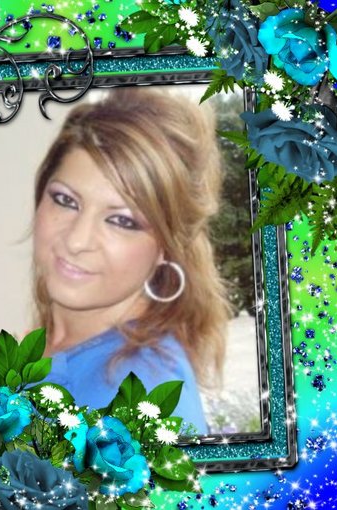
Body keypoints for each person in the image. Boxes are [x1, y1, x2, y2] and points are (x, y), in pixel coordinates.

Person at [32, 88, 234, 434]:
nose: (77, 240)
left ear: (166, 246)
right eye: (65, 200)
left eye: (122, 221)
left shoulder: (143, 400)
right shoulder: (58, 344)